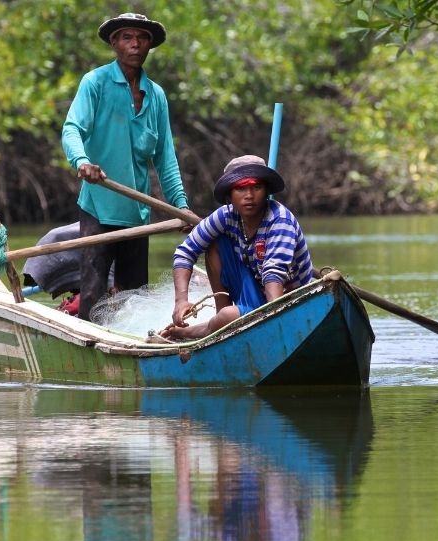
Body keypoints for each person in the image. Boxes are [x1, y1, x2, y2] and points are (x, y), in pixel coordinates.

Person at [61, 12, 197, 321]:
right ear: (114, 43)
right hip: (99, 208)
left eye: (142, 38)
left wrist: (181, 206)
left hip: (138, 215)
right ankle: (86, 348)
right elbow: (72, 129)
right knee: (93, 293)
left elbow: (165, 157)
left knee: (135, 298)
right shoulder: (95, 82)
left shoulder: (156, 96)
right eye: (127, 37)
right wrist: (82, 162)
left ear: (150, 45)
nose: (135, 44)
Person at [160, 155, 317, 340]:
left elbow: (273, 272)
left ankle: (212, 326)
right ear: (229, 195)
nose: (249, 196)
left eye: (256, 187)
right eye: (240, 188)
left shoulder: (280, 220)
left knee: (228, 317)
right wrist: (181, 301)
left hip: (286, 300)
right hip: (253, 291)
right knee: (214, 241)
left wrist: (276, 318)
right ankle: (222, 318)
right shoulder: (225, 216)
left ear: (266, 191)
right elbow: (185, 253)